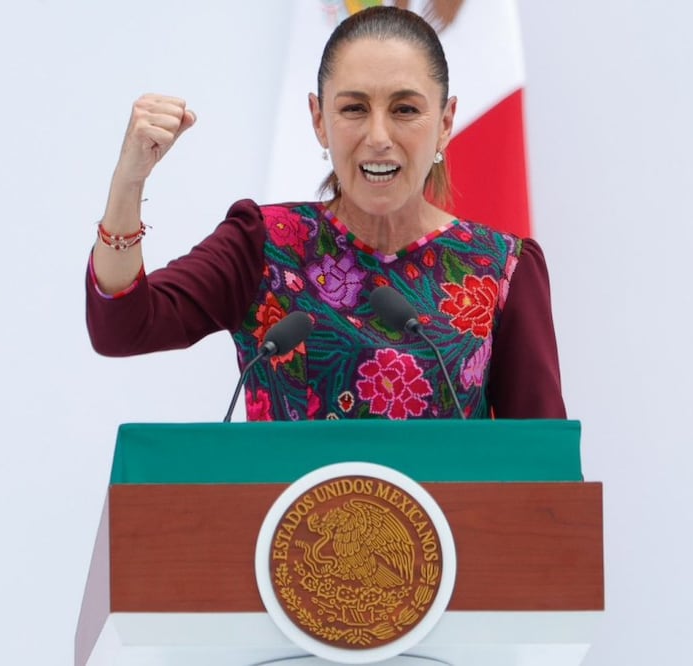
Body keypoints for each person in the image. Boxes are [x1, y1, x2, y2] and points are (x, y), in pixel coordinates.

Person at [86, 6, 565, 421]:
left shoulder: (501, 267)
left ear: (444, 123)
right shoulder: (263, 243)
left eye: (404, 109)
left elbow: (547, 471)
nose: (378, 135)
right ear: (319, 120)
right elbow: (122, 326)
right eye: (355, 108)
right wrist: (129, 183)